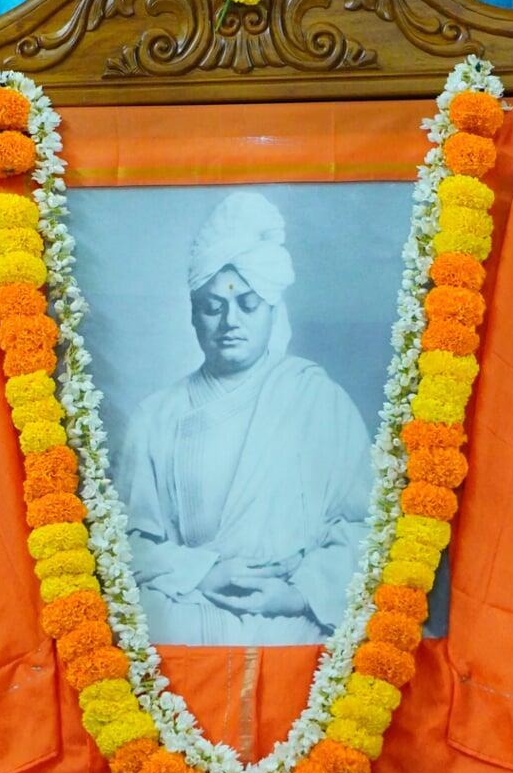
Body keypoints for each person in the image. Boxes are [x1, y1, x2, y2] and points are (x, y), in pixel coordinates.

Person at [117, 190, 372, 646]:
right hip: (189, 610)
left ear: (273, 310)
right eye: (213, 307)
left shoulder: (320, 402)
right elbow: (125, 543)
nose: (229, 321)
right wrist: (204, 572)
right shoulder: (155, 417)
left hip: (299, 617)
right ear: (193, 316)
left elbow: (365, 525)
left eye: (248, 305)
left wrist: (298, 595)